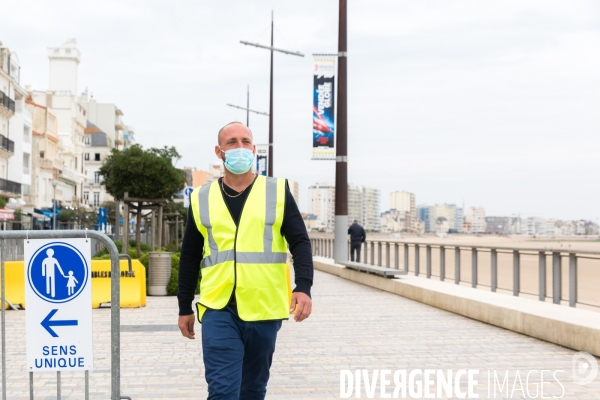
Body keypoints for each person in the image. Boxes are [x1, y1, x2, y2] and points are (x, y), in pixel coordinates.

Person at [178, 122, 314, 400]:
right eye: (232, 142)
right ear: (219, 151)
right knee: (222, 392)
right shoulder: (201, 197)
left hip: (264, 307)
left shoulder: (276, 191)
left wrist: (304, 287)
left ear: (253, 149)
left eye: (245, 142)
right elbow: (190, 255)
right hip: (218, 307)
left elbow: (299, 241)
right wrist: (184, 307)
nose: (239, 147)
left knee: (252, 391)